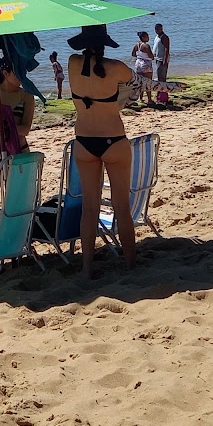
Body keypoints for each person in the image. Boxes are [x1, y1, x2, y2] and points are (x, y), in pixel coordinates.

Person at [70, 66, 137, 279]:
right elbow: (136, 80)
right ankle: (131, 264)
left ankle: (87, 268)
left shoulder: (73, 64)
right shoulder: (114, 67)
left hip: (84, 141)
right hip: (113, 139)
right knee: (122, 206)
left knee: (89, 208)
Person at [0, 70, 36, 225]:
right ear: (5, 72)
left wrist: (5, 124)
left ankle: (17, 236)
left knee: (16, 202)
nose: (21, 77)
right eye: (17, 73)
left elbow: (25, 129)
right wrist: (5, 125)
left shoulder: (27, 96)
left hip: (19, 153)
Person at [131, 32, 156, 105]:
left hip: (138, 63)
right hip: (146, 64)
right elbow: (151, 55)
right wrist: (153, 57)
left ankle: (141, 98)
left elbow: (133, 54)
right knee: (148, 82)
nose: (148, 38)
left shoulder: (137, 45)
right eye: (147, 36)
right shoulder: (146, 45)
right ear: (143, 37)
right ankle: (149, 99)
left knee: (140, 82)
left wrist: (140, 56)